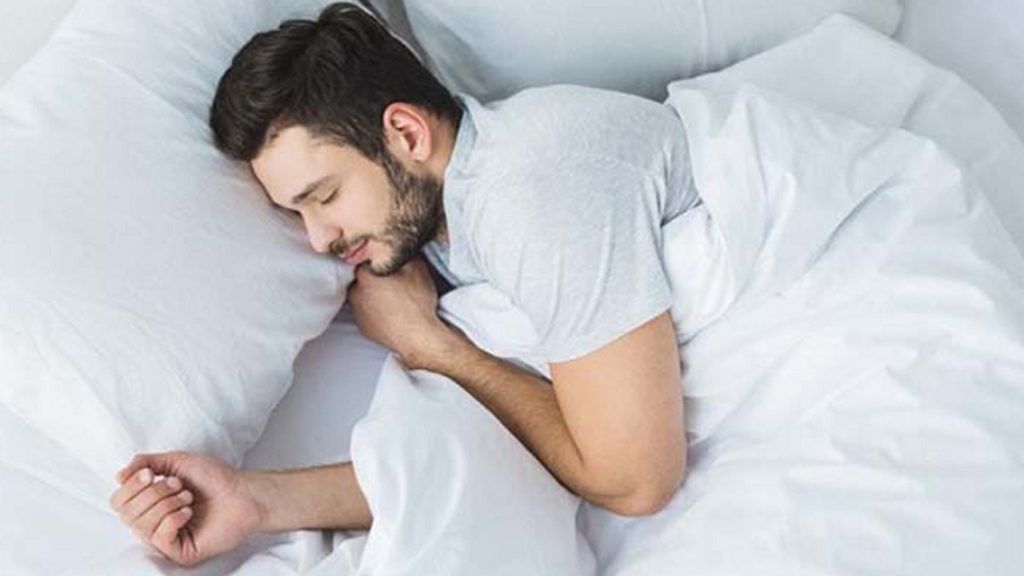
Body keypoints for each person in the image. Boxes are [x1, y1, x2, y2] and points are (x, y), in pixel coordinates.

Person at [109, 3, 694, 568]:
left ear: (407, 134)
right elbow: (487, 451)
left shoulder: (531, 189)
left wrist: (428, 345)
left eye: (325, 196)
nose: (319, 238)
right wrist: (254, 501)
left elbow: (638, 479)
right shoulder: (435, 231)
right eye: (297, 214)